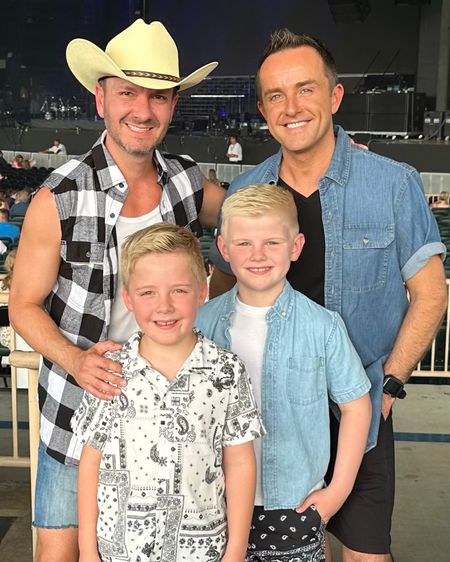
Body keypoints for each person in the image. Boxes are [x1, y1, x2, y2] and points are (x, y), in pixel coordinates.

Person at [208, 29, 448, 562]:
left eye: (306, 89)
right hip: (268, 417)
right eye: (275, 95)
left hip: (359, 410)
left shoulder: (393, 183)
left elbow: (431, 294)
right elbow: (223, 290)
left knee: (365, 555)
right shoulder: (246, 190)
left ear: (335, 97)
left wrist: (388, 386)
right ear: (263, 110)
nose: (291, 107)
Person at [9, 18, 225, 562]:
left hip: (167, 413)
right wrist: (75, 360)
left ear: (173, 105)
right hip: (77, 411)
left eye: (157, 97)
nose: (142, 110)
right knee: (58, 555)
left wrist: (215, 295)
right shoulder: (57, 198)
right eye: (127, 92)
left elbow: (252, 225)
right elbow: (23, 306)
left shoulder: (187, 182)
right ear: (99, 97)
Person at [197, 184, 371, 562]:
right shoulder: (200, 325)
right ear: (224, 250)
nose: (257, 255)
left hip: (293, 504)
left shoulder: (323, 326)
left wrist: (337, 490)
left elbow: (357, 406)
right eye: (243, 244)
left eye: (272, 243)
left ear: (295, 246)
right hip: (212, 504)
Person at [71, 223, 263, 562]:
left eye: (179, 290)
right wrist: (87, 551)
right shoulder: (109, 371)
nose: (164, 306)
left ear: (202, 290)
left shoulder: (227, 372)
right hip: (120, 552)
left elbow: (240, 463)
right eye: (148, 293)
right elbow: (90, 463)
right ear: (128, 298)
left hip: (203, 550)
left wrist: (235, 550)